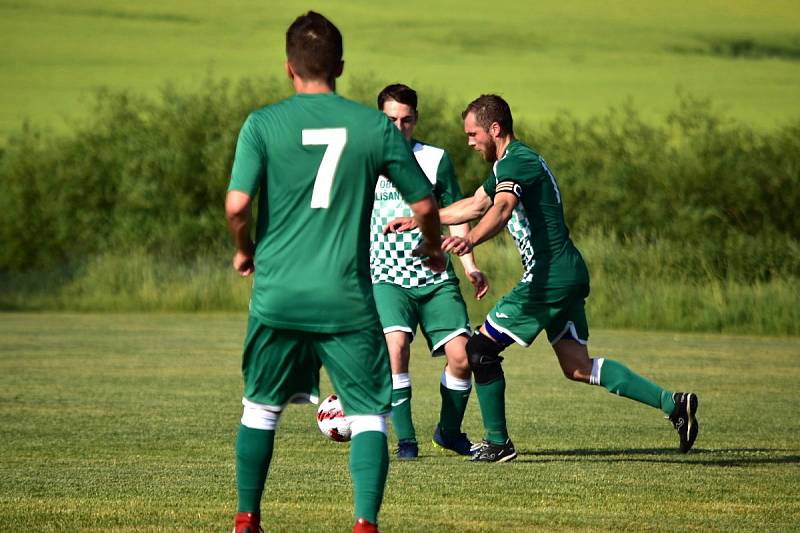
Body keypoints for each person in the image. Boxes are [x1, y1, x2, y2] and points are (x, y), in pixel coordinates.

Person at [386, 94, 699, 463]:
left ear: (495, 129)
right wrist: (422, 219)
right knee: (578, 366)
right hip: (567, 273)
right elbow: (474, 204)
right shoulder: (511, 164)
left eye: (473, 134)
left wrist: (468, 238)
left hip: (549, 277)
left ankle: (498, 443)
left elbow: (501, 209)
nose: (470, 142)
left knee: (479, 350)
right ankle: (673, 404)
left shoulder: (518, 162)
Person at [225, 12, 445, 533]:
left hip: (278, 293)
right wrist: (433, 248)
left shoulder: (262, 124)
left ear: (288, 68)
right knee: (369, 413)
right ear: (340, 67)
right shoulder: (372, 127)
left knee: (260, 410)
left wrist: (243, 249)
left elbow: (237, 205)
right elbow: (424, 204)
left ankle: (246, 519)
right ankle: (364, 524)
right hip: (346, 296)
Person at [371, 84, 489, 460]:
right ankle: (406, 441)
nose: (399, 127)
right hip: (386, 277)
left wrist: (469, 263)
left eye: (406, 120)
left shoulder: (435, 159)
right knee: (396, 348)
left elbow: (457, 213)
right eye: (391, 120)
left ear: (416, 119)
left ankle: (449, 433)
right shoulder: (364, 161)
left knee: (463, 358)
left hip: (436, 279)